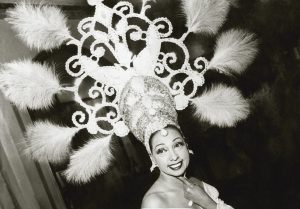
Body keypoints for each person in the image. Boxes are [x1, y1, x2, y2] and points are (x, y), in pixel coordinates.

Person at [141, 125, 233, 209]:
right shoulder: (154, 203)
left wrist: (207, 203)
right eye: (161, 150)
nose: (174, 157)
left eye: (177, 145)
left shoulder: (196, 183)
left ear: (186, 145)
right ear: (152, 158)